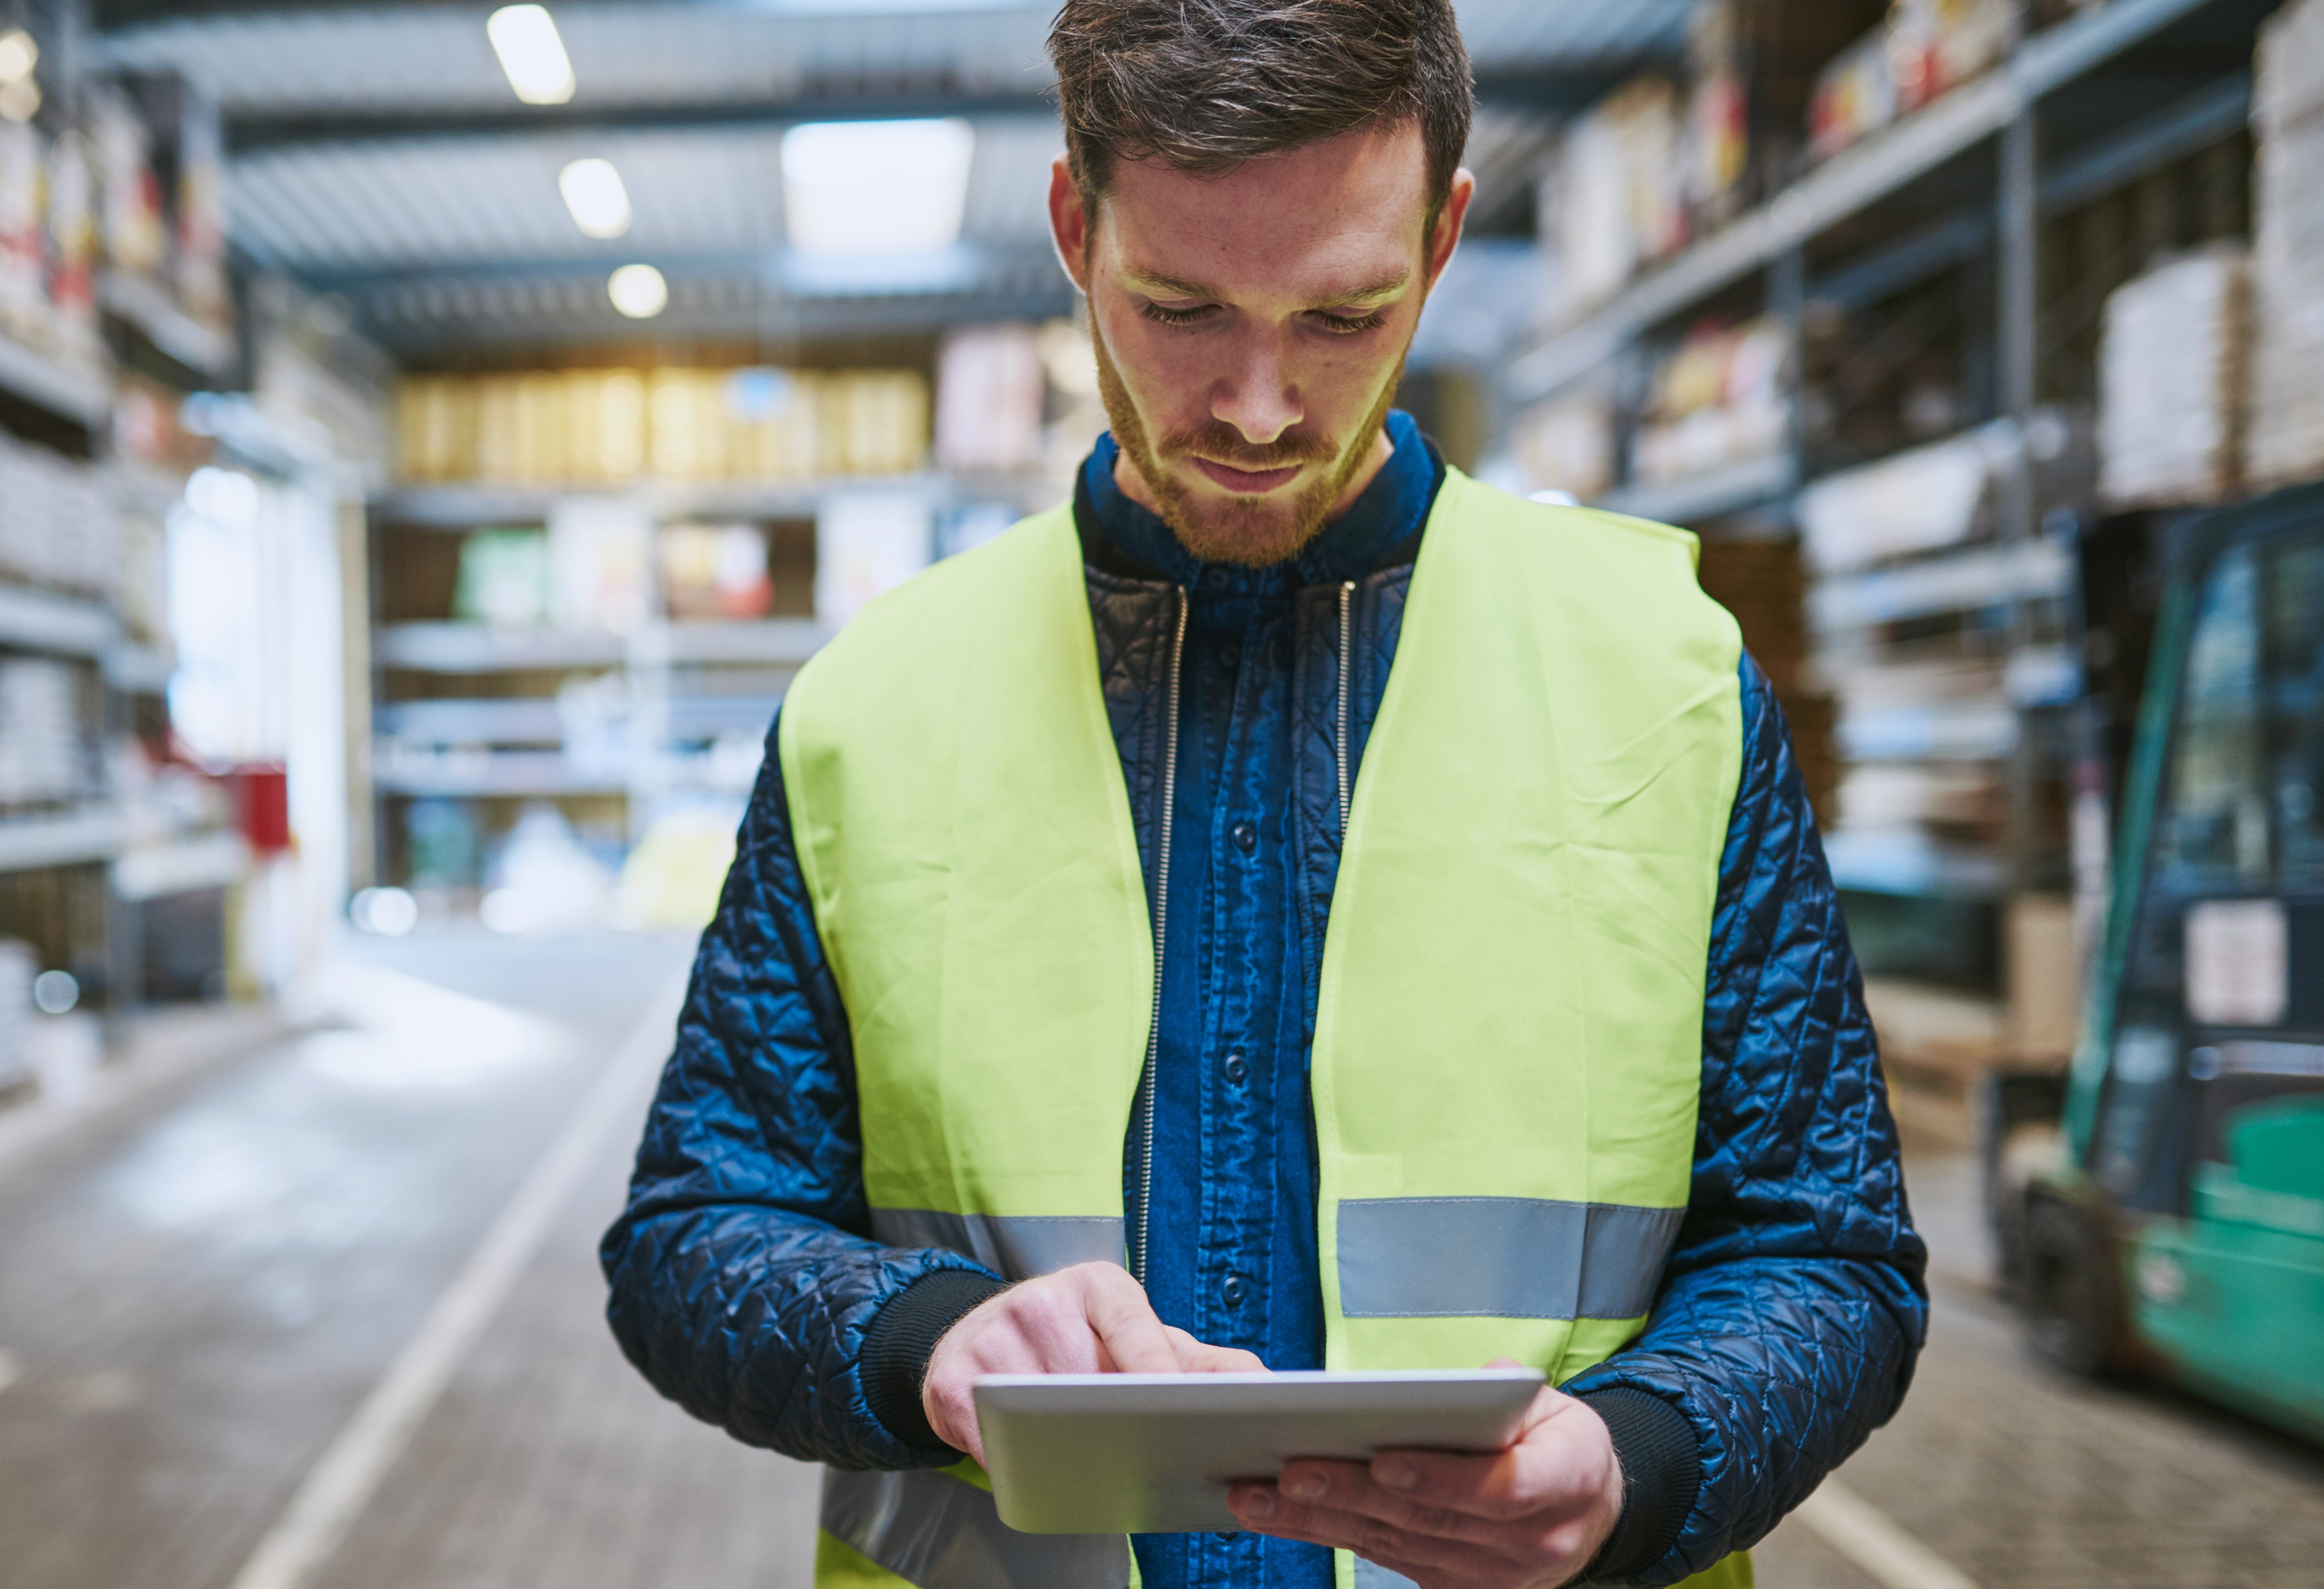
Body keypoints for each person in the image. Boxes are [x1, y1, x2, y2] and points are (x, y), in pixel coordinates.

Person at [601, 1, 1927, 1584]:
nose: (1254, 406)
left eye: (1342, 318)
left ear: (1441, 244)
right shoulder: (870, 712)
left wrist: (1641, 1451)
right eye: (1180, 309)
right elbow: (693, 1232)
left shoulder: (1670, 686)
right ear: (1072, 227)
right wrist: (924, 1335)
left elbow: (1826, 1248)